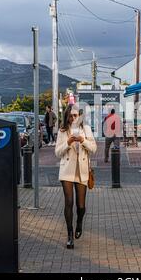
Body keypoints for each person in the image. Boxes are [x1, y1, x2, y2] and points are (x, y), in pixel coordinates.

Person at [55, 105, 97, 249]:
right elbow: (57, 152)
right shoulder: (62, 131)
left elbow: (94, 148)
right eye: (71, 116)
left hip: (82, 170)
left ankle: (79, 222)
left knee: (81, 206)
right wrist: (68, 143)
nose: (73, 118)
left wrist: (83, 140)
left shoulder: (86, 129)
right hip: (67, 170)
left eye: (76, 115)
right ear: (67, 116)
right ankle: (69, 235)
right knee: (69, 202)